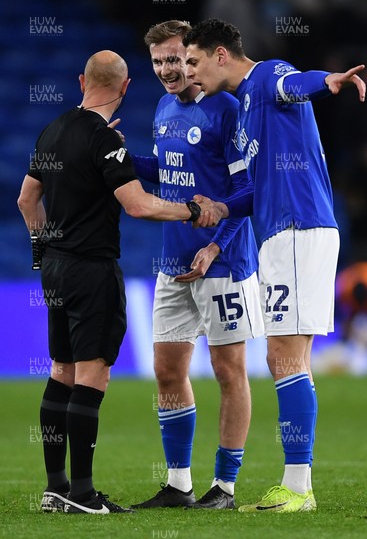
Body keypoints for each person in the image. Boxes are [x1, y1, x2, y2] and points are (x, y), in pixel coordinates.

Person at [17, 50, 220, 515]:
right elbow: (139, 205)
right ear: (125, 88)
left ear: (81, 80)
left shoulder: (54, 129)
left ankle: (56, 488)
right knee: (92, 376)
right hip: (91, 270)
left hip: (55, 269)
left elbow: (27, 198)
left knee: (61, 372)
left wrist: (41, 247)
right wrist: (192, 210)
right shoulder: (104, 139)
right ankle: (84, 496)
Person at [182, 18, 366, 513]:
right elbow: (252, 189)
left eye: (194, 62)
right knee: (286, 359)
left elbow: (296, 83)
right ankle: (296, 484)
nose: (190, 73)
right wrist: (223, 209)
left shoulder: (267, 77)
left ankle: (299, 488)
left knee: (284, 357)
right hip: (280, 233)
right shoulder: (244, 110)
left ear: (221, 55)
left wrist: (327, 82)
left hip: (298, 228)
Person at [129, 20, 264, 510]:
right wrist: (119, 159)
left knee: (228, 371)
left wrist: (215, 247)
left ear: (194, 56)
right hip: (172, 262)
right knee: (168, 371)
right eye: (160, 62)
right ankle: (179, 485)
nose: (170, 70)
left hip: (223, 263)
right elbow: (168, 172)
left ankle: (225, 488)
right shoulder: (164, 108)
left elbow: (245, 189)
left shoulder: (228, 110)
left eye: (178, 59)